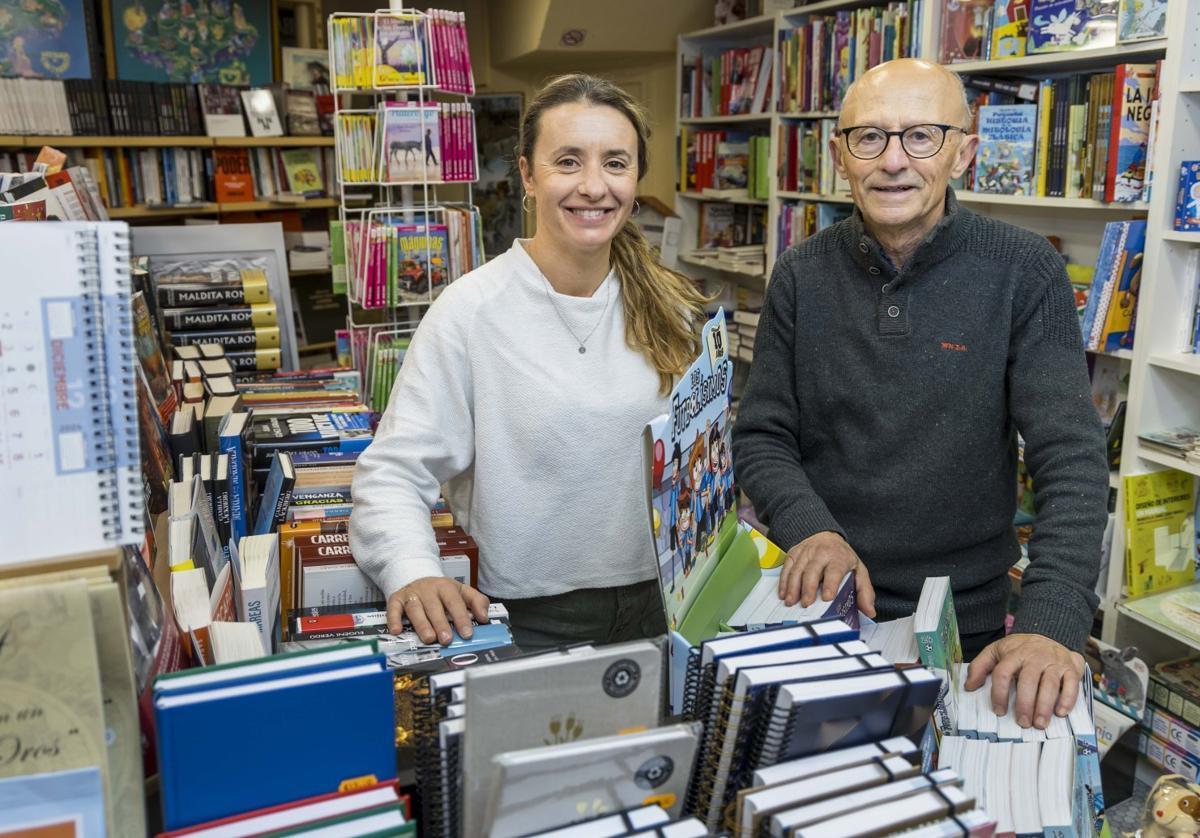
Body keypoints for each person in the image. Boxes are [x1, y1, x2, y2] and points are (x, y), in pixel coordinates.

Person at [732, 58, 1108, 730]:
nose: (894, 161)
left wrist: (1053, 619)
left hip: (966, 619)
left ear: (964, 152)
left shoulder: (1025, 270)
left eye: (921, 137)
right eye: (869, 137)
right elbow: (763, 434)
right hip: (822, 601)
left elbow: (1071, 458)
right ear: (840, 155)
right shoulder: (799, 275)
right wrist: (811, 530)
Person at [350, 73, 708, 651]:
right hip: (528, 621)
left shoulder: (670, 304)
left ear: (636, 178)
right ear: (527, 175)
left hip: (669, 602)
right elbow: (393, 469)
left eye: (615, 163)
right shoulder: (470, 312)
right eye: (568, 161)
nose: (594, 186)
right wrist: (412, 570)